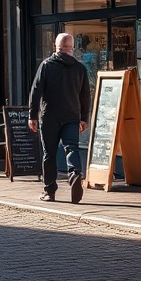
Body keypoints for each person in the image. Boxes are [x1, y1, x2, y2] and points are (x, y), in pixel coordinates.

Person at [29, 32, 91, 204]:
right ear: (72, 48)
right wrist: (84, 117)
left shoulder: (47, 65)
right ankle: (74, 174)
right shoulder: (80, 68)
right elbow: (85, 95)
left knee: (49, 154)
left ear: (56, 47)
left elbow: (36, 92)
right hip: (72, 116)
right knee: (72, 147)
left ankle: (50, 191)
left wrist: (32, 115)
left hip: (49, 116)